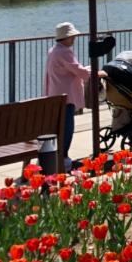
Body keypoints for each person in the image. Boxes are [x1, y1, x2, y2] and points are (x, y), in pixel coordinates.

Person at [46, 22, 106, 171]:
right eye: (72, 36)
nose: (74, 39)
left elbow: (70, 69)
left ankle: (62, 158)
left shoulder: (53, 51)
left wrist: (85, 70)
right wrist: (98, 73)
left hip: (56, 94)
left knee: (61, 127)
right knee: (67, 128)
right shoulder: (64, 52)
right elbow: (79, 71)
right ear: (65, 38)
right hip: (66, 97)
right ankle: (64, 159)